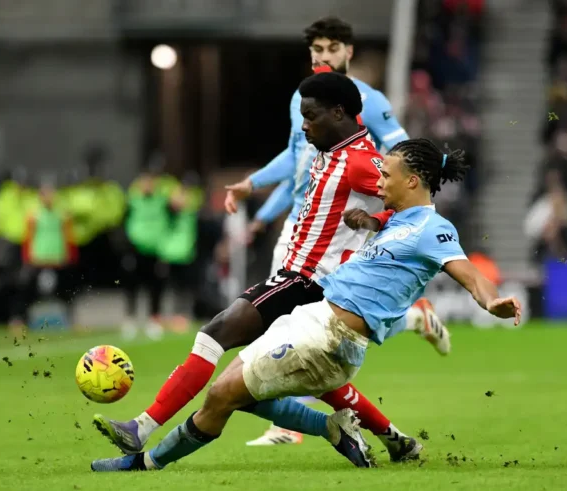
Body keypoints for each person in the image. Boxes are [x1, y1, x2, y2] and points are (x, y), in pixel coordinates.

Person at [90, 138, 522, 472]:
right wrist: (369, 221)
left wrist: (491, 301)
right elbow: (382, 231)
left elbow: (468, 272)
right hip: (309, 319)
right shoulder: (398, 220)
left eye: (386, 175)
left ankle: (142, 463)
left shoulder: (433, 227)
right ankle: (334, 426)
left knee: (220, 395)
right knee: (236, 389)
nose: (380, 182)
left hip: (331, 340)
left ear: (413, 181)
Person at [93, 72, 426, 463]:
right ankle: (388, 436)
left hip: (307, 281)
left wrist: (377, 222)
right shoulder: (330, 150)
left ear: (339, 112)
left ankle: (142, 429)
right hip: (303, 281)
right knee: (287, 385)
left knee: (215, 333)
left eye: (311, 115)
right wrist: (256, 197)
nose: (303, 125)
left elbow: (413, 203)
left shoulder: (358, 161)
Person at [226, 16, 448, 446]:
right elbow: (296, 161)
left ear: (348, 52)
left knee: (324, 330)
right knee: (293, 331)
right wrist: (256, 191)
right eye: (317, 51)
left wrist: (384, 197)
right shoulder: (302, 98)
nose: (323, 57)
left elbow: (402, 153)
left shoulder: (370, 100)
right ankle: (306, 425)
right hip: (301, 223)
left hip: (344, 226)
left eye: (332, 50)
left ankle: (410, 323)